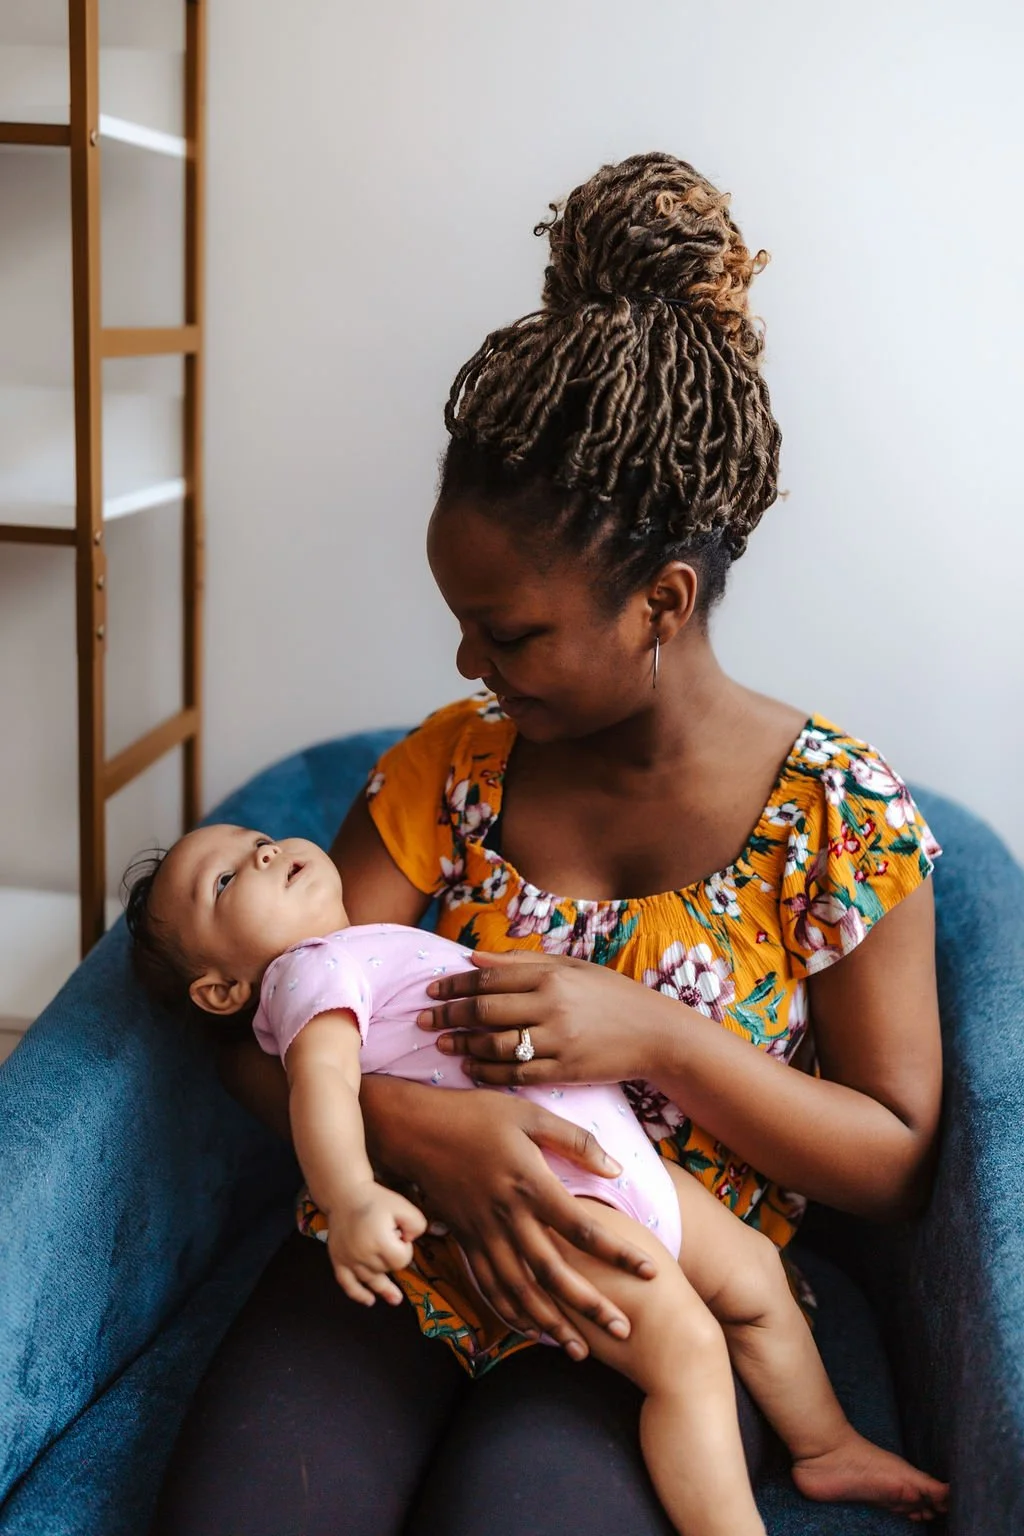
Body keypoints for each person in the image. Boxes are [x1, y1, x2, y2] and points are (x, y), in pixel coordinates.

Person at [150, 153, 946, 1536]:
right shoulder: (451, 769)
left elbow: (892, 1159)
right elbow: (258, 1025)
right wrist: (419, 1136)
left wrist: (660, 1038)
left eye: (509, 632)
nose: (467, 659)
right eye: (460, 619)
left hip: (643, 1294)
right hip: (397, 1239)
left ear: (662, 600)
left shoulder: (839, 818)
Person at [127, 823, 948, 1534]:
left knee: (755, 1273)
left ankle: (827, 1446)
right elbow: (324, 1088)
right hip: (557, 1195)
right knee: (690, 1349)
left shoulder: (359, 949)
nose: (266, 856)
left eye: (259, 843)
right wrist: (350, 1196)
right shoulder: (305, 976)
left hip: (613, 1157)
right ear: (222, 988)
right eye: (228, 878)